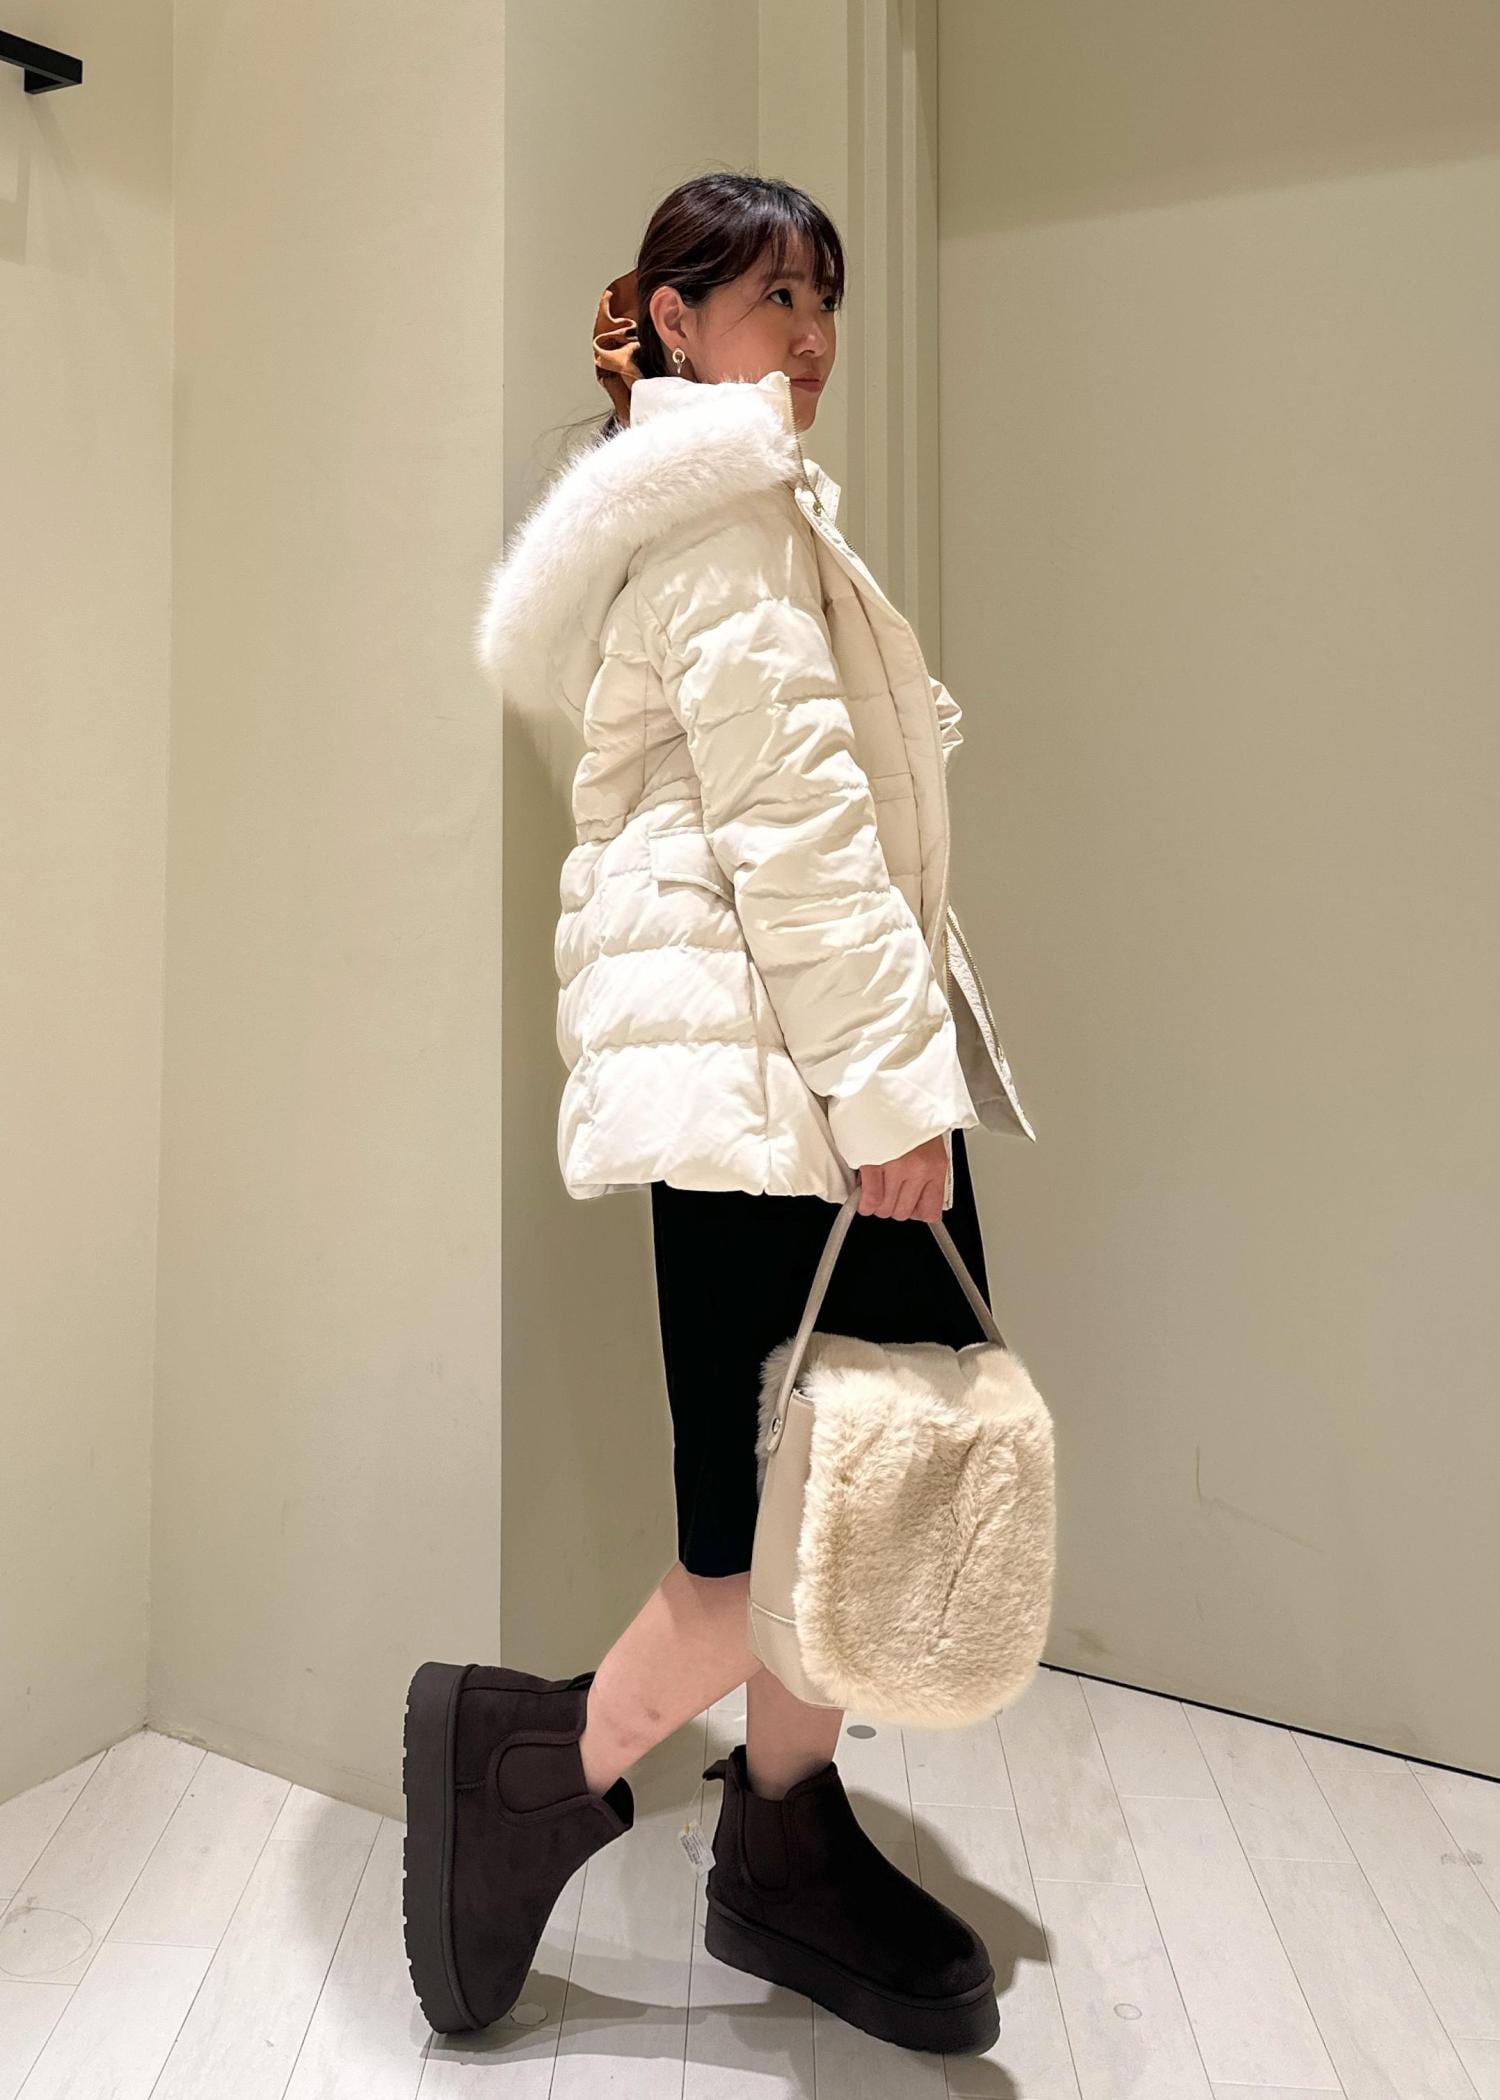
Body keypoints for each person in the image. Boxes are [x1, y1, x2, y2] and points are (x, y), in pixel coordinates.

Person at [403, 172, 1036, 2058]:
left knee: (827, 1493)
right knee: (762, 1537)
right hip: (794, 1097)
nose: (814, 336)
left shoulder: (718, 505)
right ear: (676, 321)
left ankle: (780, 1832)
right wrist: (891, 1099)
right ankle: (533, 1771)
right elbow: (800, 838)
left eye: (827, 299)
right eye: (776, 299)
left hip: (775, 1084)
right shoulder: (726, 521)